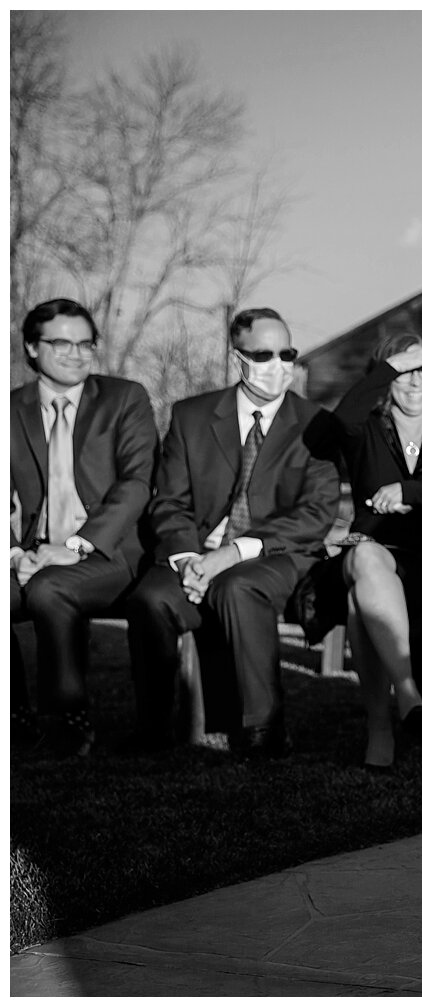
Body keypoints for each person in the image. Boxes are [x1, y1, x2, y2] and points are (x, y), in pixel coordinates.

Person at [124, 307, 339, 758]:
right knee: (150, 598)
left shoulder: (318, 424)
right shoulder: (192, 416)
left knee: (239, 586)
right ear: (236, 356)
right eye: (263, 354)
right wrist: (186, 560)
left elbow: (317, 512)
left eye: (287, 353)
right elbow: (170, 501)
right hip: (197, 551)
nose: (279, 366)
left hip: (280, 553)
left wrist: (233, 554)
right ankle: (154, 729)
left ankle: (263, 728)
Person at [316, 333, 422, 770]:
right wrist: (392, 364)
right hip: (377, 554)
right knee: (366, 558)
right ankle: (407, 694)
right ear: (384, 377)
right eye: (402, 372)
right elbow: (333, 427)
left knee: (360, 598)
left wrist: (414, 492)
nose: (415, 383)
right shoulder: (363, 432)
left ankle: (381, 726)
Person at [10, 299, 158, 757]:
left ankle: (68, 721)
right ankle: (15, 719)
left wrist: (75, 546)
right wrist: (16, 554)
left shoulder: (123, 398)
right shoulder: (9, 409)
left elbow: (138, 484)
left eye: (85, 344)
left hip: (113, 554)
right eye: (61, 343)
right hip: (37, 552)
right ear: (33, 348)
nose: (76, 353)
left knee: (51, 589)